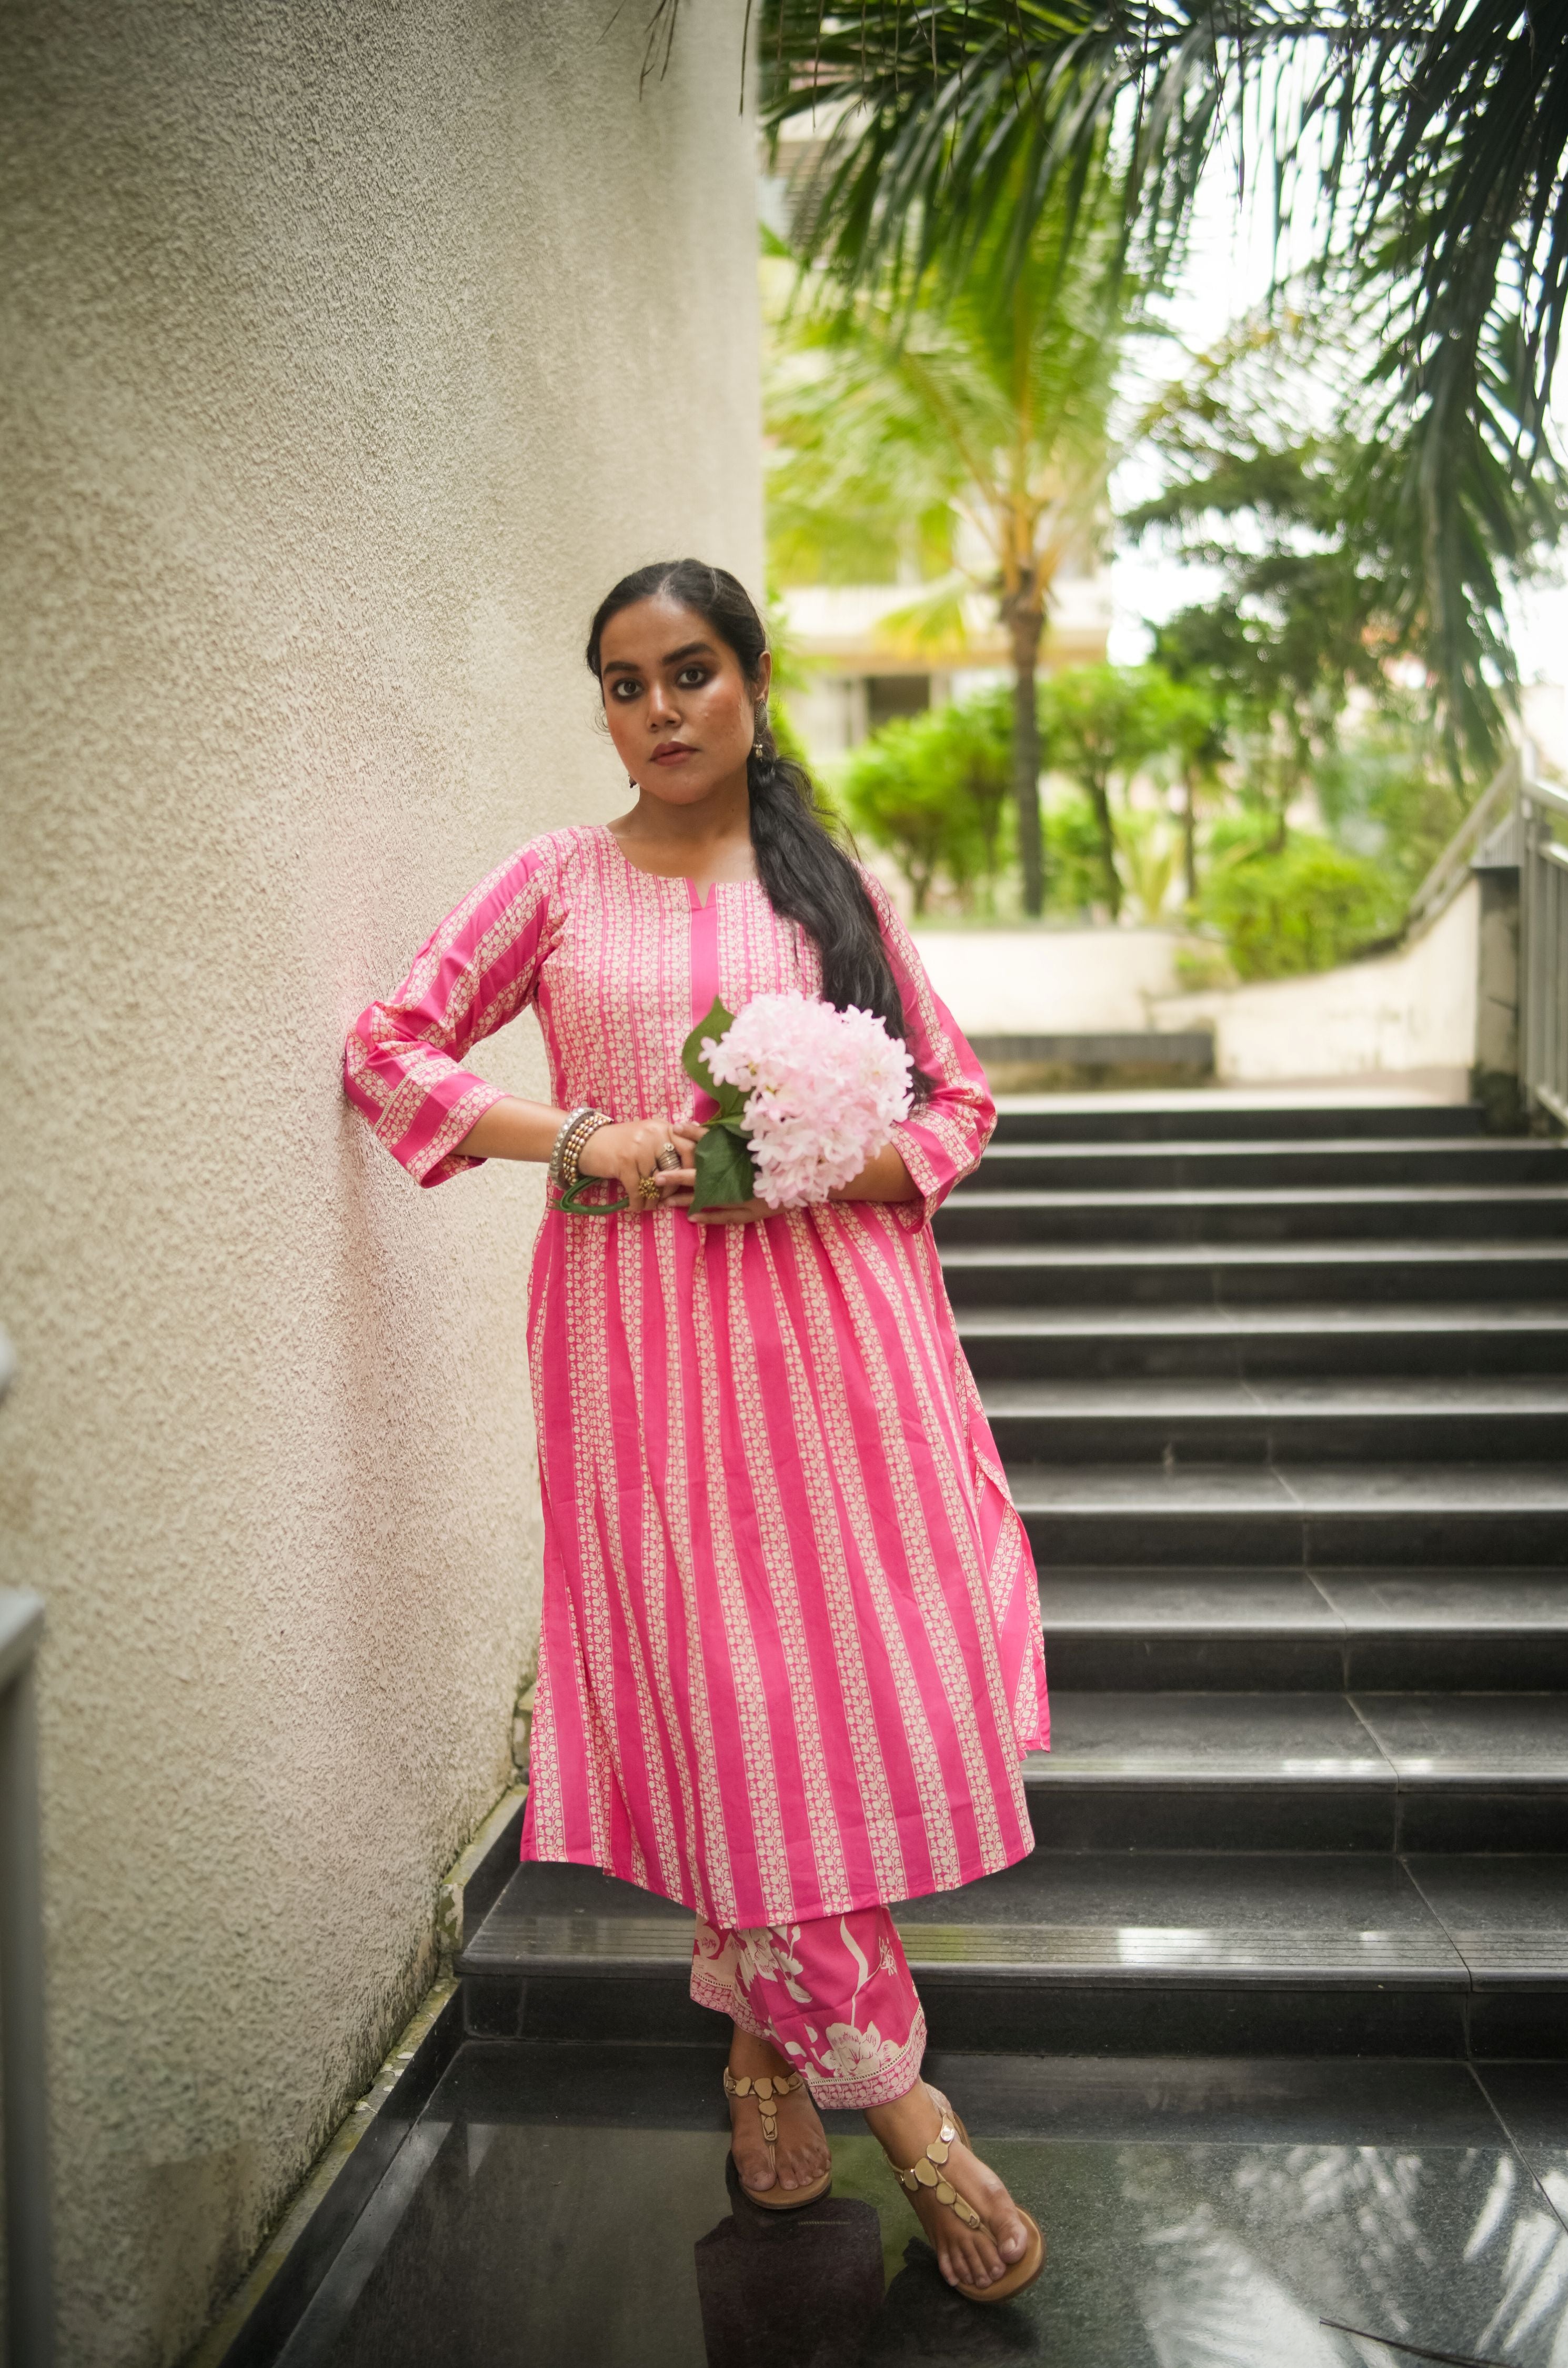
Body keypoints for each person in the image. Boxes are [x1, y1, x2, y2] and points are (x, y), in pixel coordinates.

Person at [344, 560, 1049, 2303]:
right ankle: (914, 2122)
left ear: (754, 681)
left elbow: (956, 1107)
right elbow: (391, 1049)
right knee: (739, 1718)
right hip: (645, 1368)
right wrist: (579, 1137)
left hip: (847, 1359)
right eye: (623, 682)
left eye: (690, 672)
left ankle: (759, 2042)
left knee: (824, 1715)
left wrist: (813, 1161)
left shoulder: (833, 888)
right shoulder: (553, 882)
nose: (658, 709)